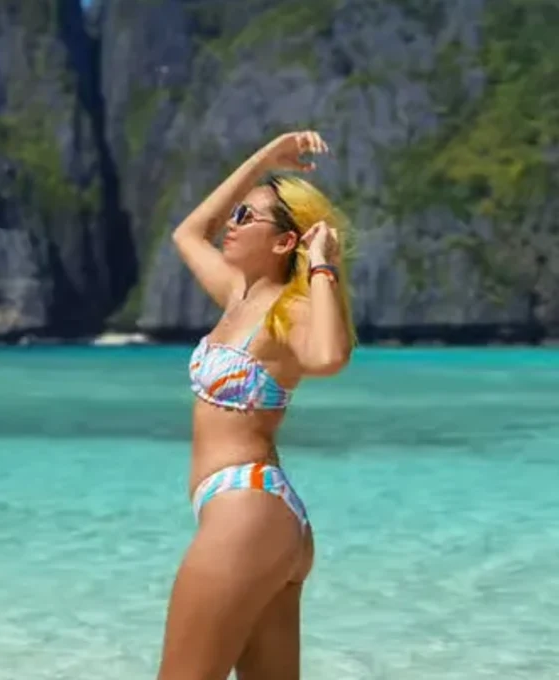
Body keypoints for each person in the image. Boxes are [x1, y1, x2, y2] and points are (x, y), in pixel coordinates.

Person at [157, 130, 357, 680]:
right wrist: (264, 160)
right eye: (238, 212)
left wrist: (322, 264)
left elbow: (328, 356)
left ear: (284, 243)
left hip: (248, 512)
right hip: (258, 517)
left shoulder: (287, 313)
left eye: (248, 217)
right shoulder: (237, 297)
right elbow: (188, 231)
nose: (232, 222)